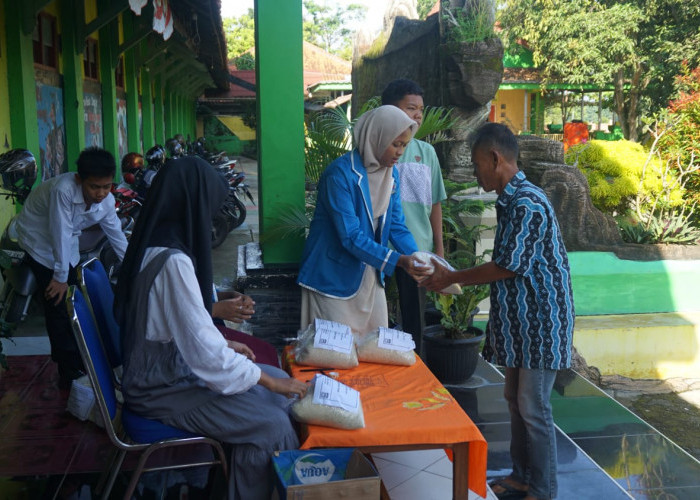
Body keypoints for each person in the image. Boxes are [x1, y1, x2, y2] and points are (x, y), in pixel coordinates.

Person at [113, 156, 307, 500]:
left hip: (165, 373)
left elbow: (173, 325)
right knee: (273, 421)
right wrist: (273, 382)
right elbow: (205, 354)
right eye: (210, 208)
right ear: (193, 204)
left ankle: (235, 486)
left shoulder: (155, 241)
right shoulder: (173, 261)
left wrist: (235, 353)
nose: (211, 218)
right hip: (162, 389)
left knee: (270, 393)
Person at [421, 123, 574, 500]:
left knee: (533, 407)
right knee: (514, 400)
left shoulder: (527, 202)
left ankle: (543, 489)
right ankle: (522, 477)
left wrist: (452, 277)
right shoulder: (510, 199)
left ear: (496, 158)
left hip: (542, 320)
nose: (476, 174)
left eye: (477, 165)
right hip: (521, 320)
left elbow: (508, 265)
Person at [297, 105, 430, 335]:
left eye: (404, 145)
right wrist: (399, 261)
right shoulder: (339, 174)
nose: (400, 152)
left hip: (370, 274)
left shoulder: (392, 174)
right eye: (395, 144)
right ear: (377, 137)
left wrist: (420, 260)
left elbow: (397, 226)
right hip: (333, 276)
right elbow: (350, 237)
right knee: (335, 355)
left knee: (373, 349)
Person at [16, 147, 128, 385]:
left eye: (106, 187)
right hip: (39, 240)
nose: (100, 193)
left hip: (65, 244)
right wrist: (59, 277)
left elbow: (116, 235)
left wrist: (133, 269)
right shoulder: (63, 190)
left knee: (76, 303)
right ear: (79, 180)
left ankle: (85, 358)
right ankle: (68, 370)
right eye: (94, 187)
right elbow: (60, 232)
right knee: (57, 304)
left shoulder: (106, 201)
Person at [381, 79, 447, 354]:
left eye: (421, 109)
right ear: (389, 110)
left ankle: (417, 372)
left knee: (414, 323)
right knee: (379, 318)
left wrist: (439, 253)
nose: (418, 115)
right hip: (380, 250)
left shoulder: (426, 152)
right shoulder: (376, 150)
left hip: (417, 249)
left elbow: (434, 204)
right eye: (411, 108)